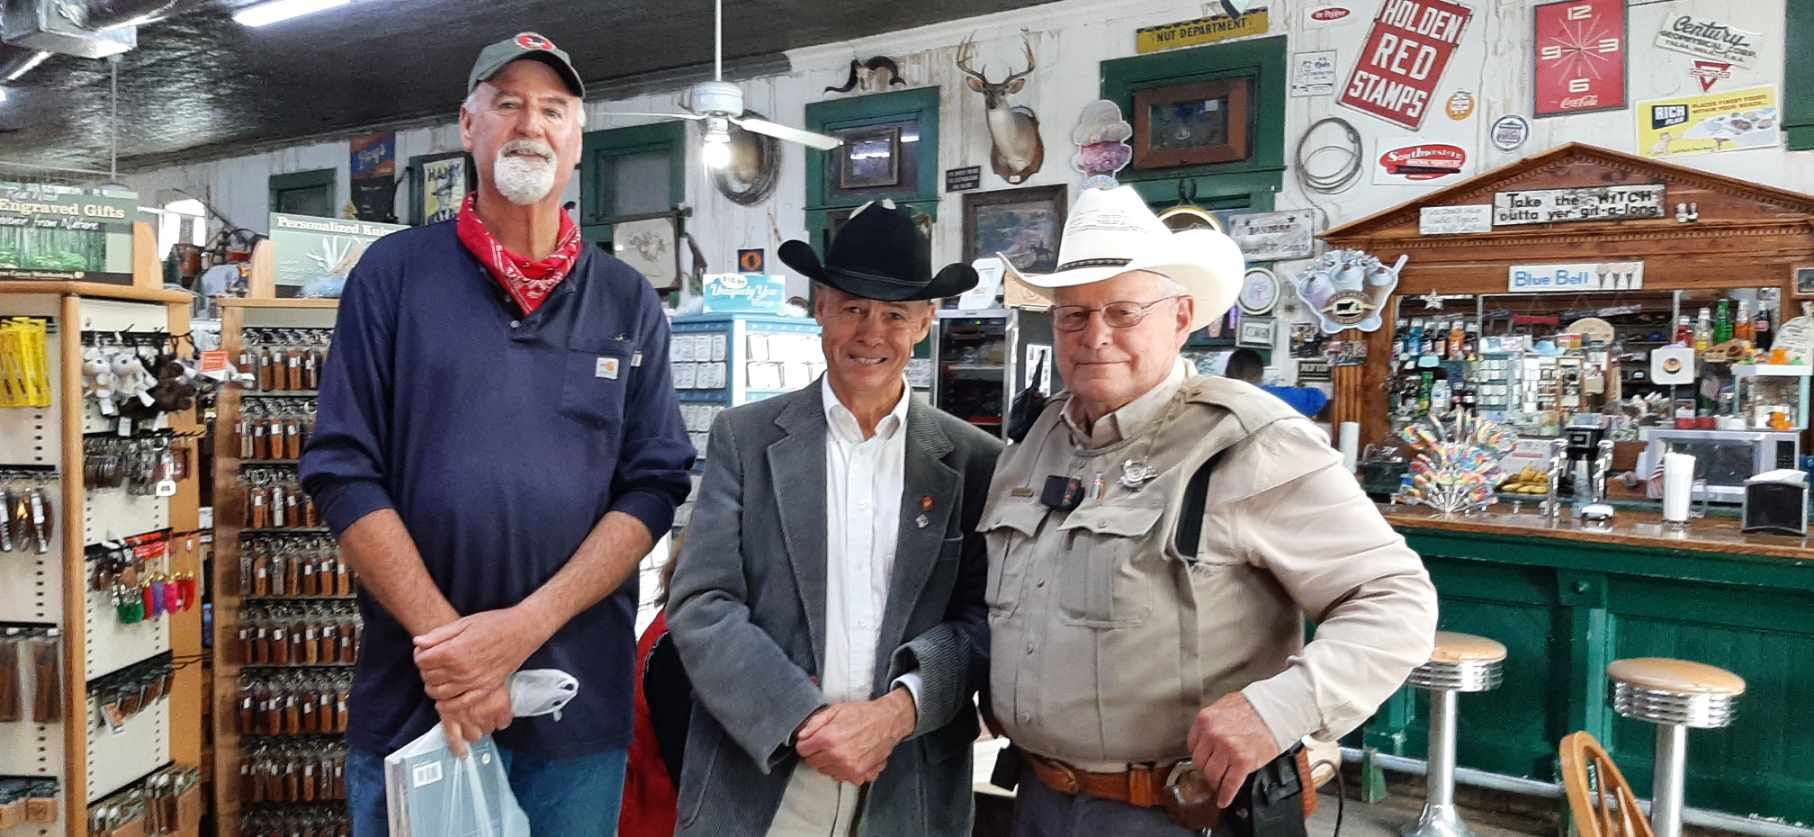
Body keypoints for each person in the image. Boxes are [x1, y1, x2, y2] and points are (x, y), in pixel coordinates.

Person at [298, 32, 694, 836]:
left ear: (578, 142)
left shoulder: (627, 300)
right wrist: (455, 654)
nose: (530, 123)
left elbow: (654, 484)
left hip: (577, 712)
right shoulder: (393, 277)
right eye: (507, 102)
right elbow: (342, 470)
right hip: (420, 703)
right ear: (467, 125)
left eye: (553, 108)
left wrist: (517, 633)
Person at [989, 186, 1437, 836]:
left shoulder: (1247, 439)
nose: (1094, 336)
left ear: (1180, 316)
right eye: (1073, 315)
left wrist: (1280, 707)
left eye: (1122, 311)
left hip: (1180, 813)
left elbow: (1396, 598)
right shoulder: (1036, 442)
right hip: (1037, 799)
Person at [667, 201, 1002, 837]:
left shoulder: (975, 462)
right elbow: (702, 600)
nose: (871, 333)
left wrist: (898, 712)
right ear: (820, 306)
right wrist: (803, 720)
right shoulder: (746, 439)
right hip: (763, 770)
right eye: (852, 308)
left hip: (906, 781)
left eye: (894, 315)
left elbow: (986, 621)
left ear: (926, 322)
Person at [1223, 347, 1330, 418]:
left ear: (1227, 374)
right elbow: (1318, 398)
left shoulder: (1218, 400)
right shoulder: (1276, 396)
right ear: (1260, 374)